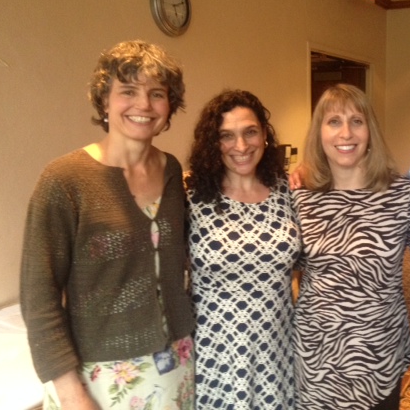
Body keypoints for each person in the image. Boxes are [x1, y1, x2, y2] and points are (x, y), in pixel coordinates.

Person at [20, 40, 195, 410]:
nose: (143, 105)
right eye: (127, 91)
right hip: (98, 374)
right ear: (104, 101)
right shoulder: (64, 180)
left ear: (169, 106)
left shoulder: (172, 171)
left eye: (157, 94)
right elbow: (40, 300)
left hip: (176, 362)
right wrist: (71, 394)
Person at [291, 84, 410, 409]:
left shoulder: (401, 193)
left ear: (370, 130)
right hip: (315, 360)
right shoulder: (300, 197)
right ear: (319, 132)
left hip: (379, 358)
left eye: (356, 121)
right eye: (333, 121)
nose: (346, 133)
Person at [184, 89, 301, 409]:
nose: (241, 146)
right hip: (214, 360)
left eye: (250, 132)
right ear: (213, 142)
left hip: (278, 353)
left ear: (264, 134)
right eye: (226, 136)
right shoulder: (190, 195)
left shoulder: (287, 190)